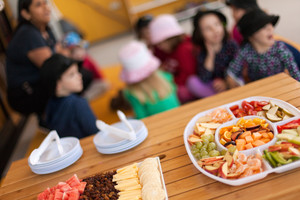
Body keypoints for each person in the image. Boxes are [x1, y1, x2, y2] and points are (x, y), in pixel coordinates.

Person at [5, 0, 59, 115]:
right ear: (25, 13)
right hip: (24, 93)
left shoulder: (45, 29)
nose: (46, 8)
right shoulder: (27, 34)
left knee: (78, 73)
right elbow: (52, 67)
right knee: (69, 79)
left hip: (38, 84)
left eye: (45, 3)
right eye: (38, 5)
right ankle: (50, 118)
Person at [226, 9, 300, 88]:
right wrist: (235, 83)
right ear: (251, 36)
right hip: (259, 91)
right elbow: (231, 72)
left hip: (280, 87)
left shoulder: (279, 48)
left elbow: (295, 74)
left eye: (270, 24)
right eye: (264, 27)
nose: (270, 28)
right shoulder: (246, 51)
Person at [40, 54, 99, 138]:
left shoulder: (50, 103)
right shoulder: (79, 103)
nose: (79, 76)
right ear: (58, 84)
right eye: (72, 74)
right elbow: (96, 132)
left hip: (68, 148)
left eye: (77, 71)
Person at [119, 41, 180, 119]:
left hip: (156, 126)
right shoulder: (165, 77)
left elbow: (142, 117)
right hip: (178, 115)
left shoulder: (132, 93)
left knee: (128, 119)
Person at [187, 10, 238, 98]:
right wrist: (210, 54)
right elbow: (204, 78)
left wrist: (225, 82)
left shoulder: (231, 45)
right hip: (215, 87)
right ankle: (219, 99)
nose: (215, 30)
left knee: (238, 78)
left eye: (217, 24)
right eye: (208, 28)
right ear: (201, 34)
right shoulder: (202, 53)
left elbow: (238, 67)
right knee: (192, 82)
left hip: (231, 81)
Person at [148, 14, 197, 103]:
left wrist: (171, 84)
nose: (159, 47)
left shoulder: (183, 49)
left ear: (170, 39)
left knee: (178, 93)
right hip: (176, 82)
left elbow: (187, 74)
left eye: (160, 43)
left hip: (186, 85)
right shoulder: (168, 50)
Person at [63, 32, 109, 100]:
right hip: (75, 89)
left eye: (80, 49)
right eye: (74, 51)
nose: (79, 53)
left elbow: (96, 72)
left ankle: (84, 98)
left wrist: (102, 80)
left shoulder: (87, 59)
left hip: (87, 86)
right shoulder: (70, 64)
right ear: (69, 53)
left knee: (104, 85)